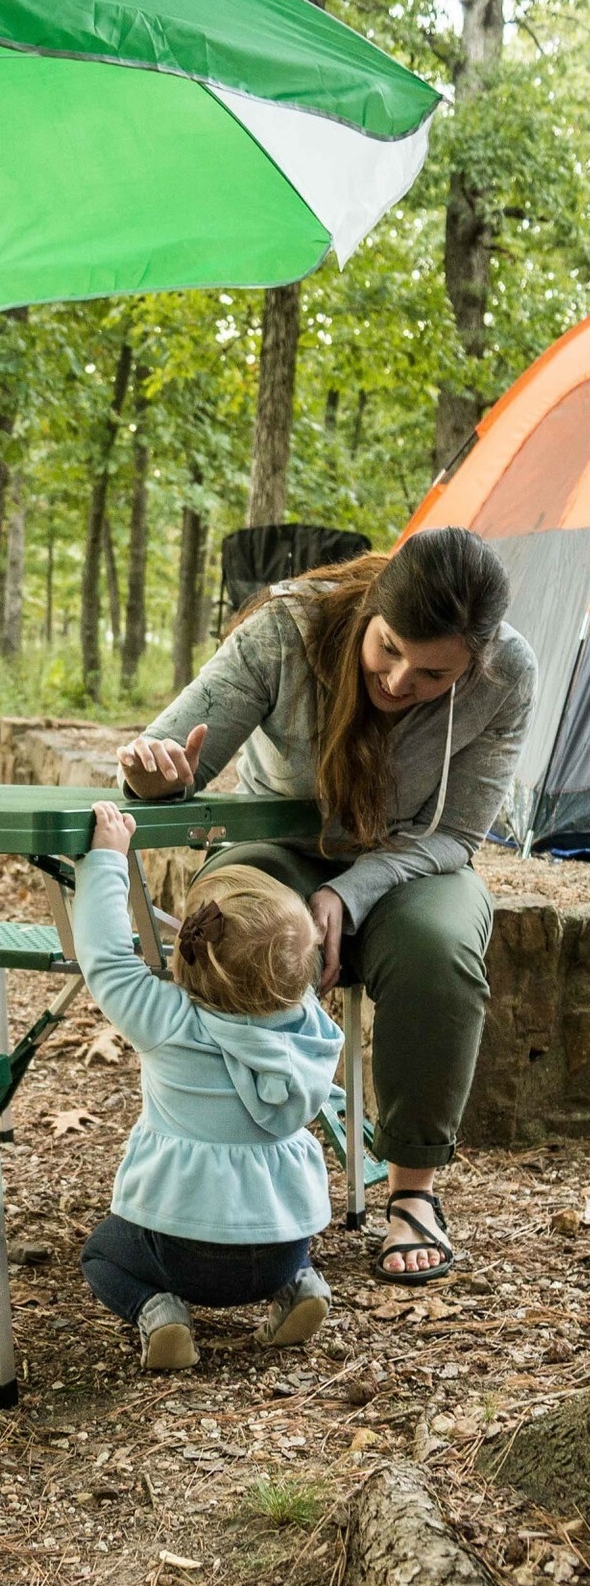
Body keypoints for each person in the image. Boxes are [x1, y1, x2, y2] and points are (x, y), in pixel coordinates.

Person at [115, 528, 529, 1284]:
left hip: (412, 859)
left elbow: (458, 832)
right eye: (389, 649)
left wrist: (345, 890)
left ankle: (413, 1192)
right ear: (370, 607)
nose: (402, 680)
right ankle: (216, 1177)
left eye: (433, 672)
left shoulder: (509, 676)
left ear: (476, 659)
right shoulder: (287, 626)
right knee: (232, 930)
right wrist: (155, 776)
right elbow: (169, 761)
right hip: (272, 843)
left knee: (438, 950)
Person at [74, 802, 341, 1370]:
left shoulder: (167, 1022)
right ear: (304, 973)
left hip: (180, 1250)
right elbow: (278, 970)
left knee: (100, 1253)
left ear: (191, 951)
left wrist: (106, 859)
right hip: (280, 1244)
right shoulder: (310, 1030)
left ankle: (158, 1310)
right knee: (281, 1239)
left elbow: (104, 958)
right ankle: (299, 1283)